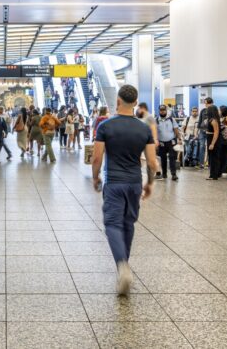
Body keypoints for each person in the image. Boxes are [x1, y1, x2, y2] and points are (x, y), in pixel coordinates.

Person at [91, 84, 158, 295]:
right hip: (134, 183)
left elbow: (97, 157)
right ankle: (124, 266)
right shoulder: (144, 128)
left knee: (112, 223)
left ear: (118, 101)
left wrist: (95, 177)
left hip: (114, 183)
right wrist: (150, 183)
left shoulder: (105, 126)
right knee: (128, 223)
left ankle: (122, 266)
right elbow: (152, 162)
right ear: (136, 103)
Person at [155, 104, 182, 180]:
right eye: (161, 110)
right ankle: (164, 174)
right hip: (161, 143)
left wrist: (179, 138)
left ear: (166, 111)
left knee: (172, 158)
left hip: (171, 142)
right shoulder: (156, 120)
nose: (163, 111)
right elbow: (154, 132)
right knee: (163, 159)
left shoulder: (171, 119)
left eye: (164, 110)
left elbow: (176, 130)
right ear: (159, 111)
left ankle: (174, 174)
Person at [197, 98, 214, 168]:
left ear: (211, 103)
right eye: (205, 103)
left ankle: (210, 163)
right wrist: (197, 131)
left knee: (209, 147)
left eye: (206, 103)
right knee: (201, 146)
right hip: (202, 131)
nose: (205, 104)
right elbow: (200, 120)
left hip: (210, 131)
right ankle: (201, 163)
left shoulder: (214, 111)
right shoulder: (203, 111)